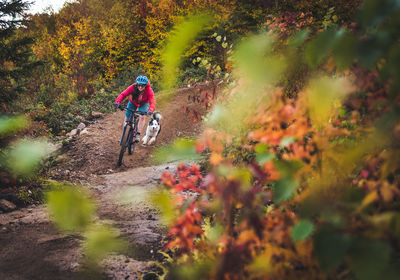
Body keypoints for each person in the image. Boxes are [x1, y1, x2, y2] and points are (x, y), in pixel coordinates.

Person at [114, 75, 156, 142]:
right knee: (127, 117)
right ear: (137, 84)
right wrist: (117, 102)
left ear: (145, 85)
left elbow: (152, 101)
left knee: (142, 117)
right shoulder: (133, 87)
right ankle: (123, 136)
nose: (140, 87)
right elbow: (123, 94)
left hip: (144, 104)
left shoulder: (149, 90)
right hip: (133, 102)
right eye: (139, 85)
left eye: (142, 85)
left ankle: (138, 134)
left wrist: (150, 110)